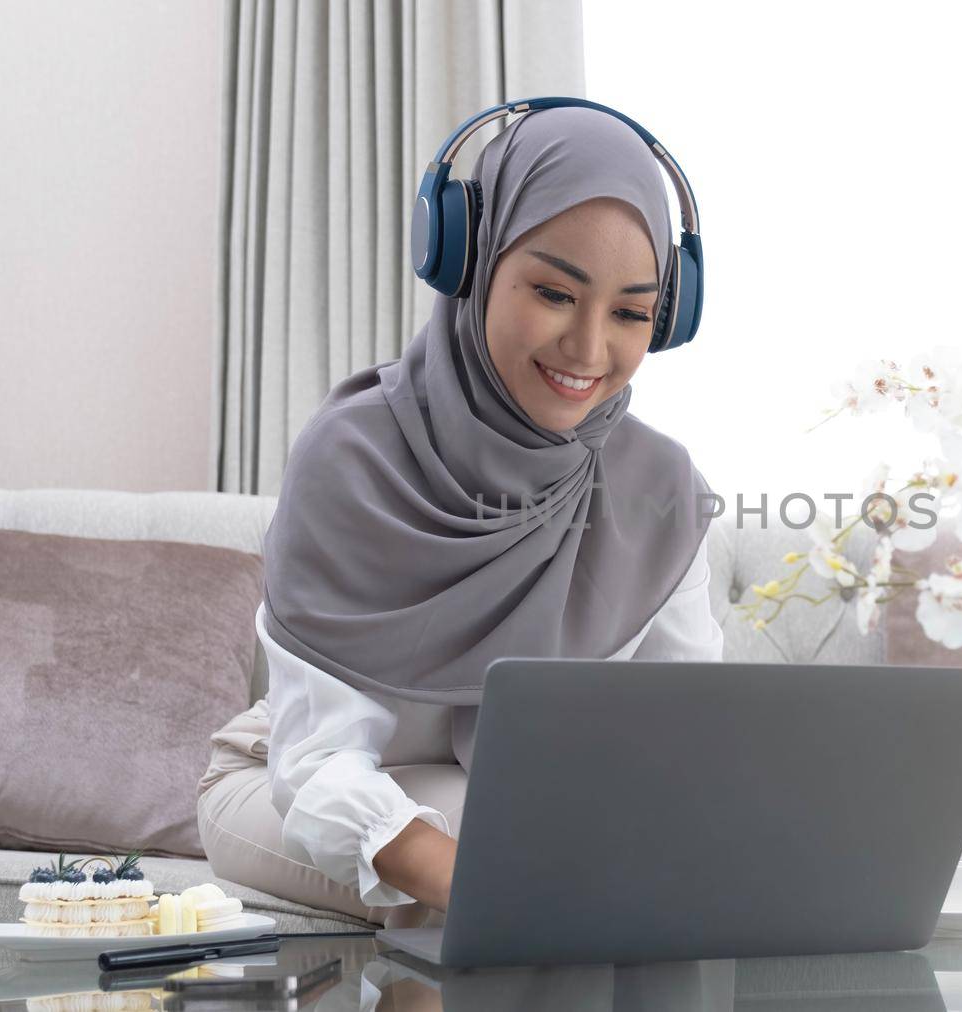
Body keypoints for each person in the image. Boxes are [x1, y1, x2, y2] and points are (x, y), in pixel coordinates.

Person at [196, 105, 722, 930]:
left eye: (630, 314)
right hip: (290, 782)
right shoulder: (355, 457)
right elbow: (321, 764)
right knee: (465, 875)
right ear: (467, 260)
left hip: (500, 805)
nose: (588, 350)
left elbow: (689, 744)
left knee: (568, 855)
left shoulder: (659, 488)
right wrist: (503, 888)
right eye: (553, 292)